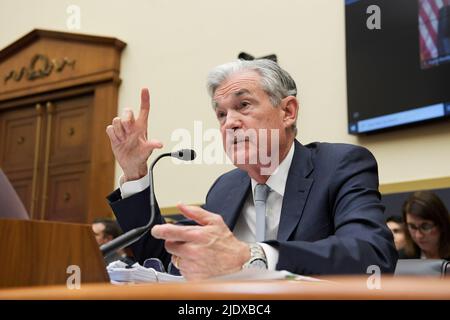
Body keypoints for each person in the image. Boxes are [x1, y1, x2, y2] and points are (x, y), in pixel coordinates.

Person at [105, 59, 397, 280]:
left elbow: (372, 255)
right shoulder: (226, 187)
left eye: (243, 105)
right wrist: (134, 173)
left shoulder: (340, 165)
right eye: (221, 114)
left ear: (287, 112)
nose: (229, 122)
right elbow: (167, 260)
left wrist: (253, 255)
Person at [402, 191, 450, 260]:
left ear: (442, 224)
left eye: (425, 227)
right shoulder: (400, 260)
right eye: (412, 227)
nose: (418, 236)